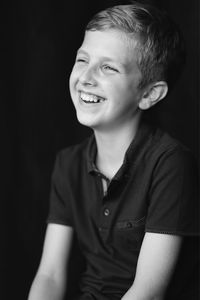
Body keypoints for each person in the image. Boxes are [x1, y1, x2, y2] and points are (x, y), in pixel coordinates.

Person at [28, 2, 199, 300]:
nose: (86, 77)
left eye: (108, 67)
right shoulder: (67, 164)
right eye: (83, 60)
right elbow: (50, 275)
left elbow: (148, 291)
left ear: (148, 94)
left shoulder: (169, 163)